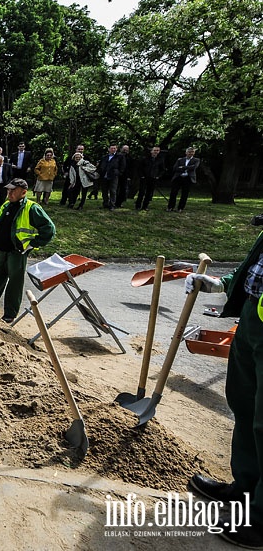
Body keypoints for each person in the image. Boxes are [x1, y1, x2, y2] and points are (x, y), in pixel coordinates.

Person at [185, 230, 263, 548]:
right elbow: (257, 263)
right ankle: (245, 488)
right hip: (254, 318)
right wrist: (222, 282)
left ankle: (260, 521)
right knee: (245, 406)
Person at [0, 178, 56, 323]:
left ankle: (10, 314)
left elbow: (49, 229)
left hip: (18, 251)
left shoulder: (32, 208)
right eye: (8, 190)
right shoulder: (6, 205)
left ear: (23, 192)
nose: (9, 193)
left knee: (14, 282)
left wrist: (33, 243)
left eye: (13, 190)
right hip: (2, 249)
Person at [168, 146, 200, 212]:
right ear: (186, 152)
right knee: (173, 193)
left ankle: (180, 208)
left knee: (184, 194)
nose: (190, 153)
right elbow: (175, 168)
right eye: (189, 152)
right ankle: (170, 207)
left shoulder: (196, 160)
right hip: (178, 177)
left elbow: (194, 168)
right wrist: (187, 167)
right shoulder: (180, 159)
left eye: (192, 152)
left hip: (188, 178)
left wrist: (182, 167)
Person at [134, 145, 166, 211]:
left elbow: (162, 169)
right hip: (144, 178)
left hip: (153, 178)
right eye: (154, 150)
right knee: (141, 192)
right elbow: (139, 168)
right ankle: (138, 206)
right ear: (151, 151)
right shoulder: (145, 158)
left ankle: (145, 206)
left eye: (157, 151)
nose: (156, 152)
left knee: (149, 193)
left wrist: (158, 176)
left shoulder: (160, 160)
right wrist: (142, 176)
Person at [98, 144, 125, 210]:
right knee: (104, 191)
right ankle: (105, 204)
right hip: (104, 176)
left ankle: (112, 205)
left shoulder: (120, 156)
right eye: (112, 148)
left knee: (113, 191)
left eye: (114, 148)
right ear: (109, 149)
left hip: (113, 176)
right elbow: (101, 165)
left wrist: (118, 173)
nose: (113, 150)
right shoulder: (105, 157)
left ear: (116, 149)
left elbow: (122, 166)